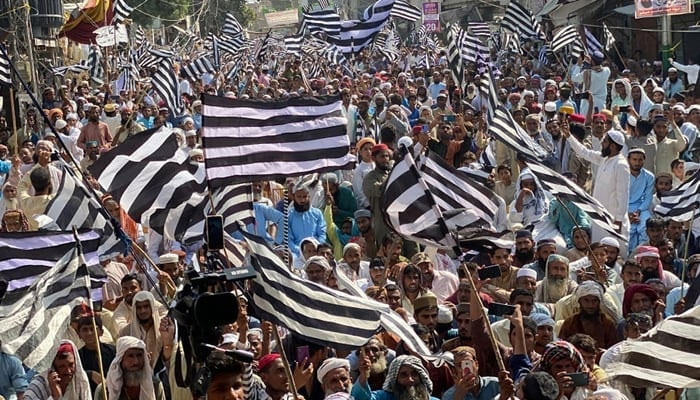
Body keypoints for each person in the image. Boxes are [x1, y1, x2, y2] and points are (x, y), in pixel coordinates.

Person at [563, 125, 630, 252]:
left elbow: (623, 194)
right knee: (598, 251)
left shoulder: (621, 165)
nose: (601, 143)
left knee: (613, 252)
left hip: (613, 219)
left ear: (613, 146)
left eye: (604, 141)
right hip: (599, 215)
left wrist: (619, 221)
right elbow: (584, 152)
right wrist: (568, 136)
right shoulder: (604, 159)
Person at [95, 336, 166, 400]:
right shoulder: (105, 390)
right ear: (120, 359)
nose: (136, 361)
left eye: (139, 355)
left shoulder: (155, 386)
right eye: (130, 356)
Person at [558, 282, 619, 349]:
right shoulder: (570, 322)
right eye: (586, 301)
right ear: (579, 301)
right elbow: (562, 346)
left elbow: (613, 350)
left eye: (594, 301)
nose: (591, 305)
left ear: (599, 302)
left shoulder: (607, 323)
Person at [24, 341, 91, 400]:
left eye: (71, 365)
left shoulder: (80, 380)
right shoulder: (37, 386)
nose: (68, 371)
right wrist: (54, 397)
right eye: (62, 367)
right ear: (53, 367)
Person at [352, 355, 438, 400]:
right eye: (403, 375)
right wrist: (363, 374)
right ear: (395, 378)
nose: (410, 379)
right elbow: (361, 398)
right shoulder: (383, 397)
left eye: (414, 374)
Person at [76, 315, 117, 396]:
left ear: (101, 332)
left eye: (93, 329)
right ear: (79, 334)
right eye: (85, 330)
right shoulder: (77, 356)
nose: (89, 333)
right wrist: (89, 374)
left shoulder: (113, 351)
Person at [288, 181, 326, 261]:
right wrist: (301, 251)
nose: (302, 200)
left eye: (304, 196)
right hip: (297, 253)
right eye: (299, 197)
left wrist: (315, 249)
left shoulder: (317, 213)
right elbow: (289, 240)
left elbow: (322, 234)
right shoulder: (289, 215)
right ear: (294, 197)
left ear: (309, 196)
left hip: (316, 251)